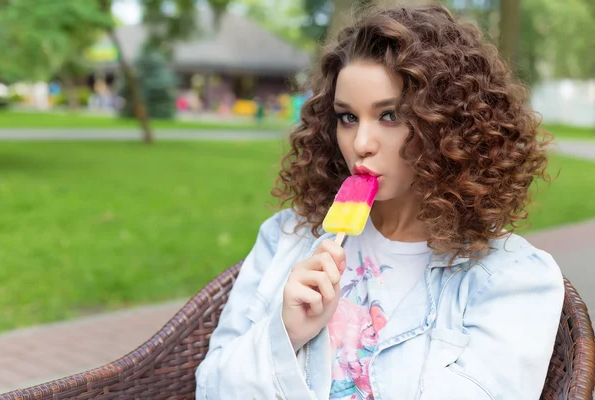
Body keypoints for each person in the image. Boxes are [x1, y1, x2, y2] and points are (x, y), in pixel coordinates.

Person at [195, 4, 563, 400]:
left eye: (390, 116)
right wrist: (284, 333)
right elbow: (212, 387)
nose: (360, 144)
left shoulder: (511, 280)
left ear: (448, 124)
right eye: (347, 117)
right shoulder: (286, 238)